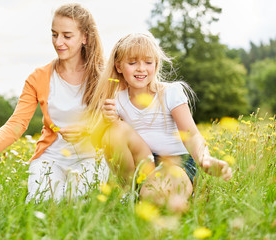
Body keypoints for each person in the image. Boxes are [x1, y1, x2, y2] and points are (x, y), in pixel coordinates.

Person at [0, 3, 109, 202]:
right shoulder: (38, 77)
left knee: (77, 201)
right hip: (51, 159)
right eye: (54, 34)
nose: (58, 42)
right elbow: (17, 123)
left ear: (85, 37)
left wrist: (89, 130)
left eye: (67, 35)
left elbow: (118, 120)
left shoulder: (104, 76)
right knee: (42, 203)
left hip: (90, 159)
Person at [85, 33, 232, 211]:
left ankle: (181, 193)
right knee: (113, 131)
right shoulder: (116, 99)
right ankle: (132, 191)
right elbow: (99, 142)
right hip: (143, 163)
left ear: (156, 64)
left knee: (156, 194)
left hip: (177, 162)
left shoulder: (170, 93)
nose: (141, 68)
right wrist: (106, 121)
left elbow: (191, 134)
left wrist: (204, 159)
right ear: (119, 66)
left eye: (148, 62)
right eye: (132, 63)